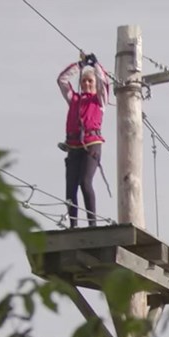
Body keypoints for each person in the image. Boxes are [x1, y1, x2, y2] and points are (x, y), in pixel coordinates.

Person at [56, 52, 111, 228]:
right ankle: (73, 225)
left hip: (92, 144)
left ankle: (92, 224)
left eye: (90, 82)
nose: (87, 84)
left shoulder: (99, 101)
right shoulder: (74, 99)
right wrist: (79, 66)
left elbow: (104, 83)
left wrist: (95, 65)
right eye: (84, 81)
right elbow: (62, 80)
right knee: (70, 187)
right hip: (73, 146)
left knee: (85, 182)